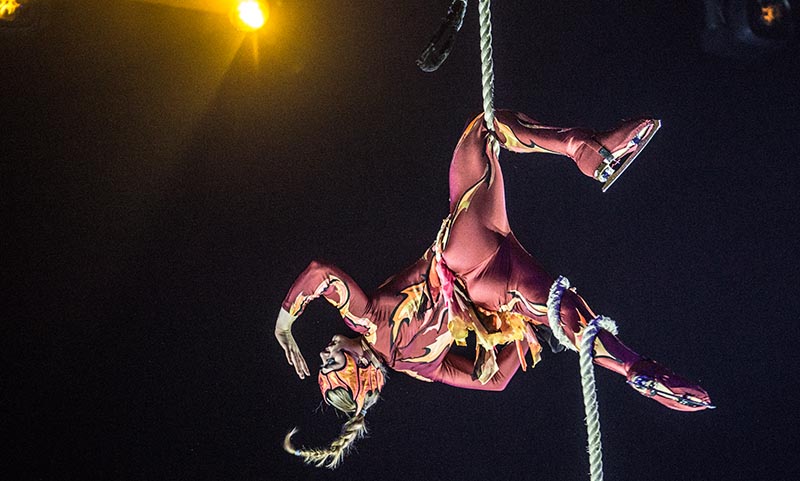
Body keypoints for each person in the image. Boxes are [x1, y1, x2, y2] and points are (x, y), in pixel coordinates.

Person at [274, 110, 712, 469]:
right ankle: (585, 148)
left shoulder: (419, 369)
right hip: (462, 252)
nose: (326, 350)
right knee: (484, 129)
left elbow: (495, 380)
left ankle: (635, 367)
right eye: (333, 360)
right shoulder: (367, 321)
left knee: (564, 313)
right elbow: (322, 274)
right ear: (362, 370)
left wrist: (525, 339)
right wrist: (285, 325)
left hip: (495, 291)